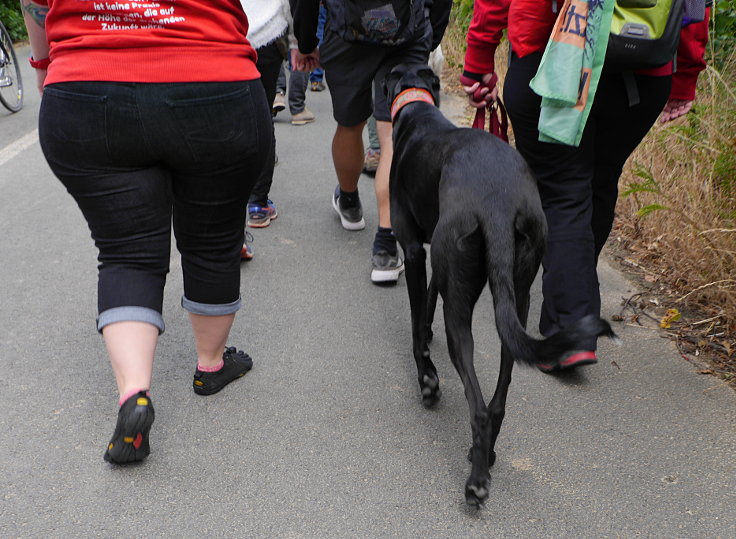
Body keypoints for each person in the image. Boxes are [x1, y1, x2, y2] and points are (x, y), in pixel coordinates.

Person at [22, 0, 272, 463]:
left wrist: (43, 64)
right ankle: (211, 366)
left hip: (86, 83)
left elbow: (36, 5)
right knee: (213, 240)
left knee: (126, 251)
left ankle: (134, 395)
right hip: (213, 81)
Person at [462, 0, 710, 371]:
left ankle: (572, 327)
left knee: (563, 190)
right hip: (644, 71)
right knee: (599, 182)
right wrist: (686, 74)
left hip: (556, 57)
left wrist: (479, 56)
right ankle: (570, 298)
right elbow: (695, 6)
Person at [290, 0, 452, 284]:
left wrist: (305, 41)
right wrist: (430, 33)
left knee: (349, 124)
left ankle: (350, 202)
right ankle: (386, 246)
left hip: (346, 34)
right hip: (406, 31)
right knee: (392, 131)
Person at [240, 0, 292, 233]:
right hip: (268, 31)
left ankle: (231, 200)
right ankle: (258, 204)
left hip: (224, 30)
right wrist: (300, 41)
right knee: (262, 113)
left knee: (228, 116)